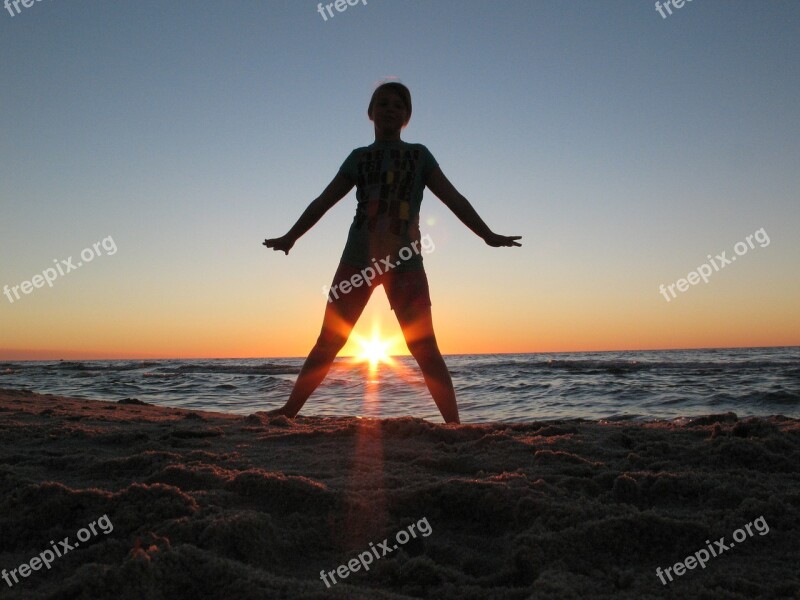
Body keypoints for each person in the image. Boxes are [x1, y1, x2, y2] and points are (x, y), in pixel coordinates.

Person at [263, 81, 521, 424]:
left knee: (425, 347)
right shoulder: (358, 158)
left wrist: (486, 234)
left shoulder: (419, 155)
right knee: (328, 341)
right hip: (357, 260)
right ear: (371, 113)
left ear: (407, 116)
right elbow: (323, 201)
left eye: (398, 105)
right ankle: (289, 411)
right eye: (382, 104)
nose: (390, 109)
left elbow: (454, 198)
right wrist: (291, 236)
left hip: (405, 262)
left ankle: (453, 423)